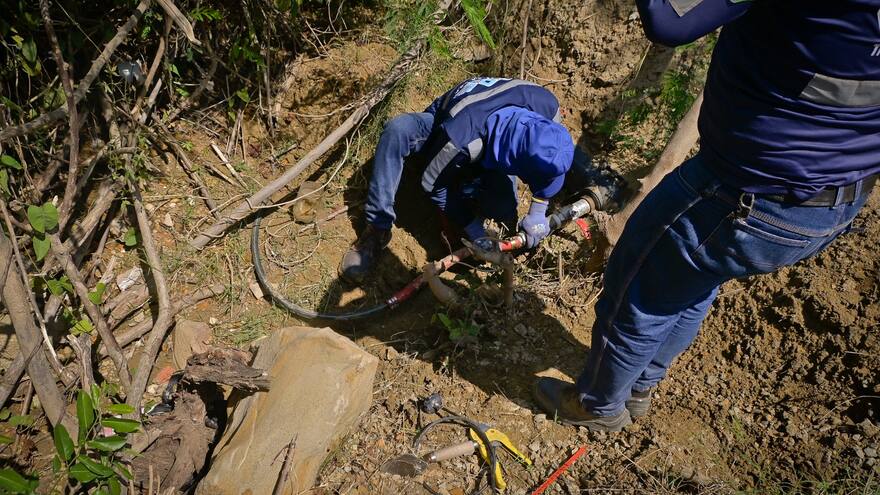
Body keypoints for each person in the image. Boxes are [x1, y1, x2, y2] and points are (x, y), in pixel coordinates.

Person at [534, 0, 880, 431]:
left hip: (745, 193)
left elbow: (670, 20)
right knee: (691, 278)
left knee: (636, 290)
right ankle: (640, 386)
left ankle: (595, 405)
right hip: (833, 204)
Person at [339, 77, 575, 283]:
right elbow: (432, 185)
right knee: (398, 130)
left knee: (503, 210)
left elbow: (551, 157)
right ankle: (377, 229)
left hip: (485, 145)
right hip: (442, 129)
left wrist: (539, 209)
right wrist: (472, 227)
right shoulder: (462, 138)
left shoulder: (547, 105)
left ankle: (469, 188)